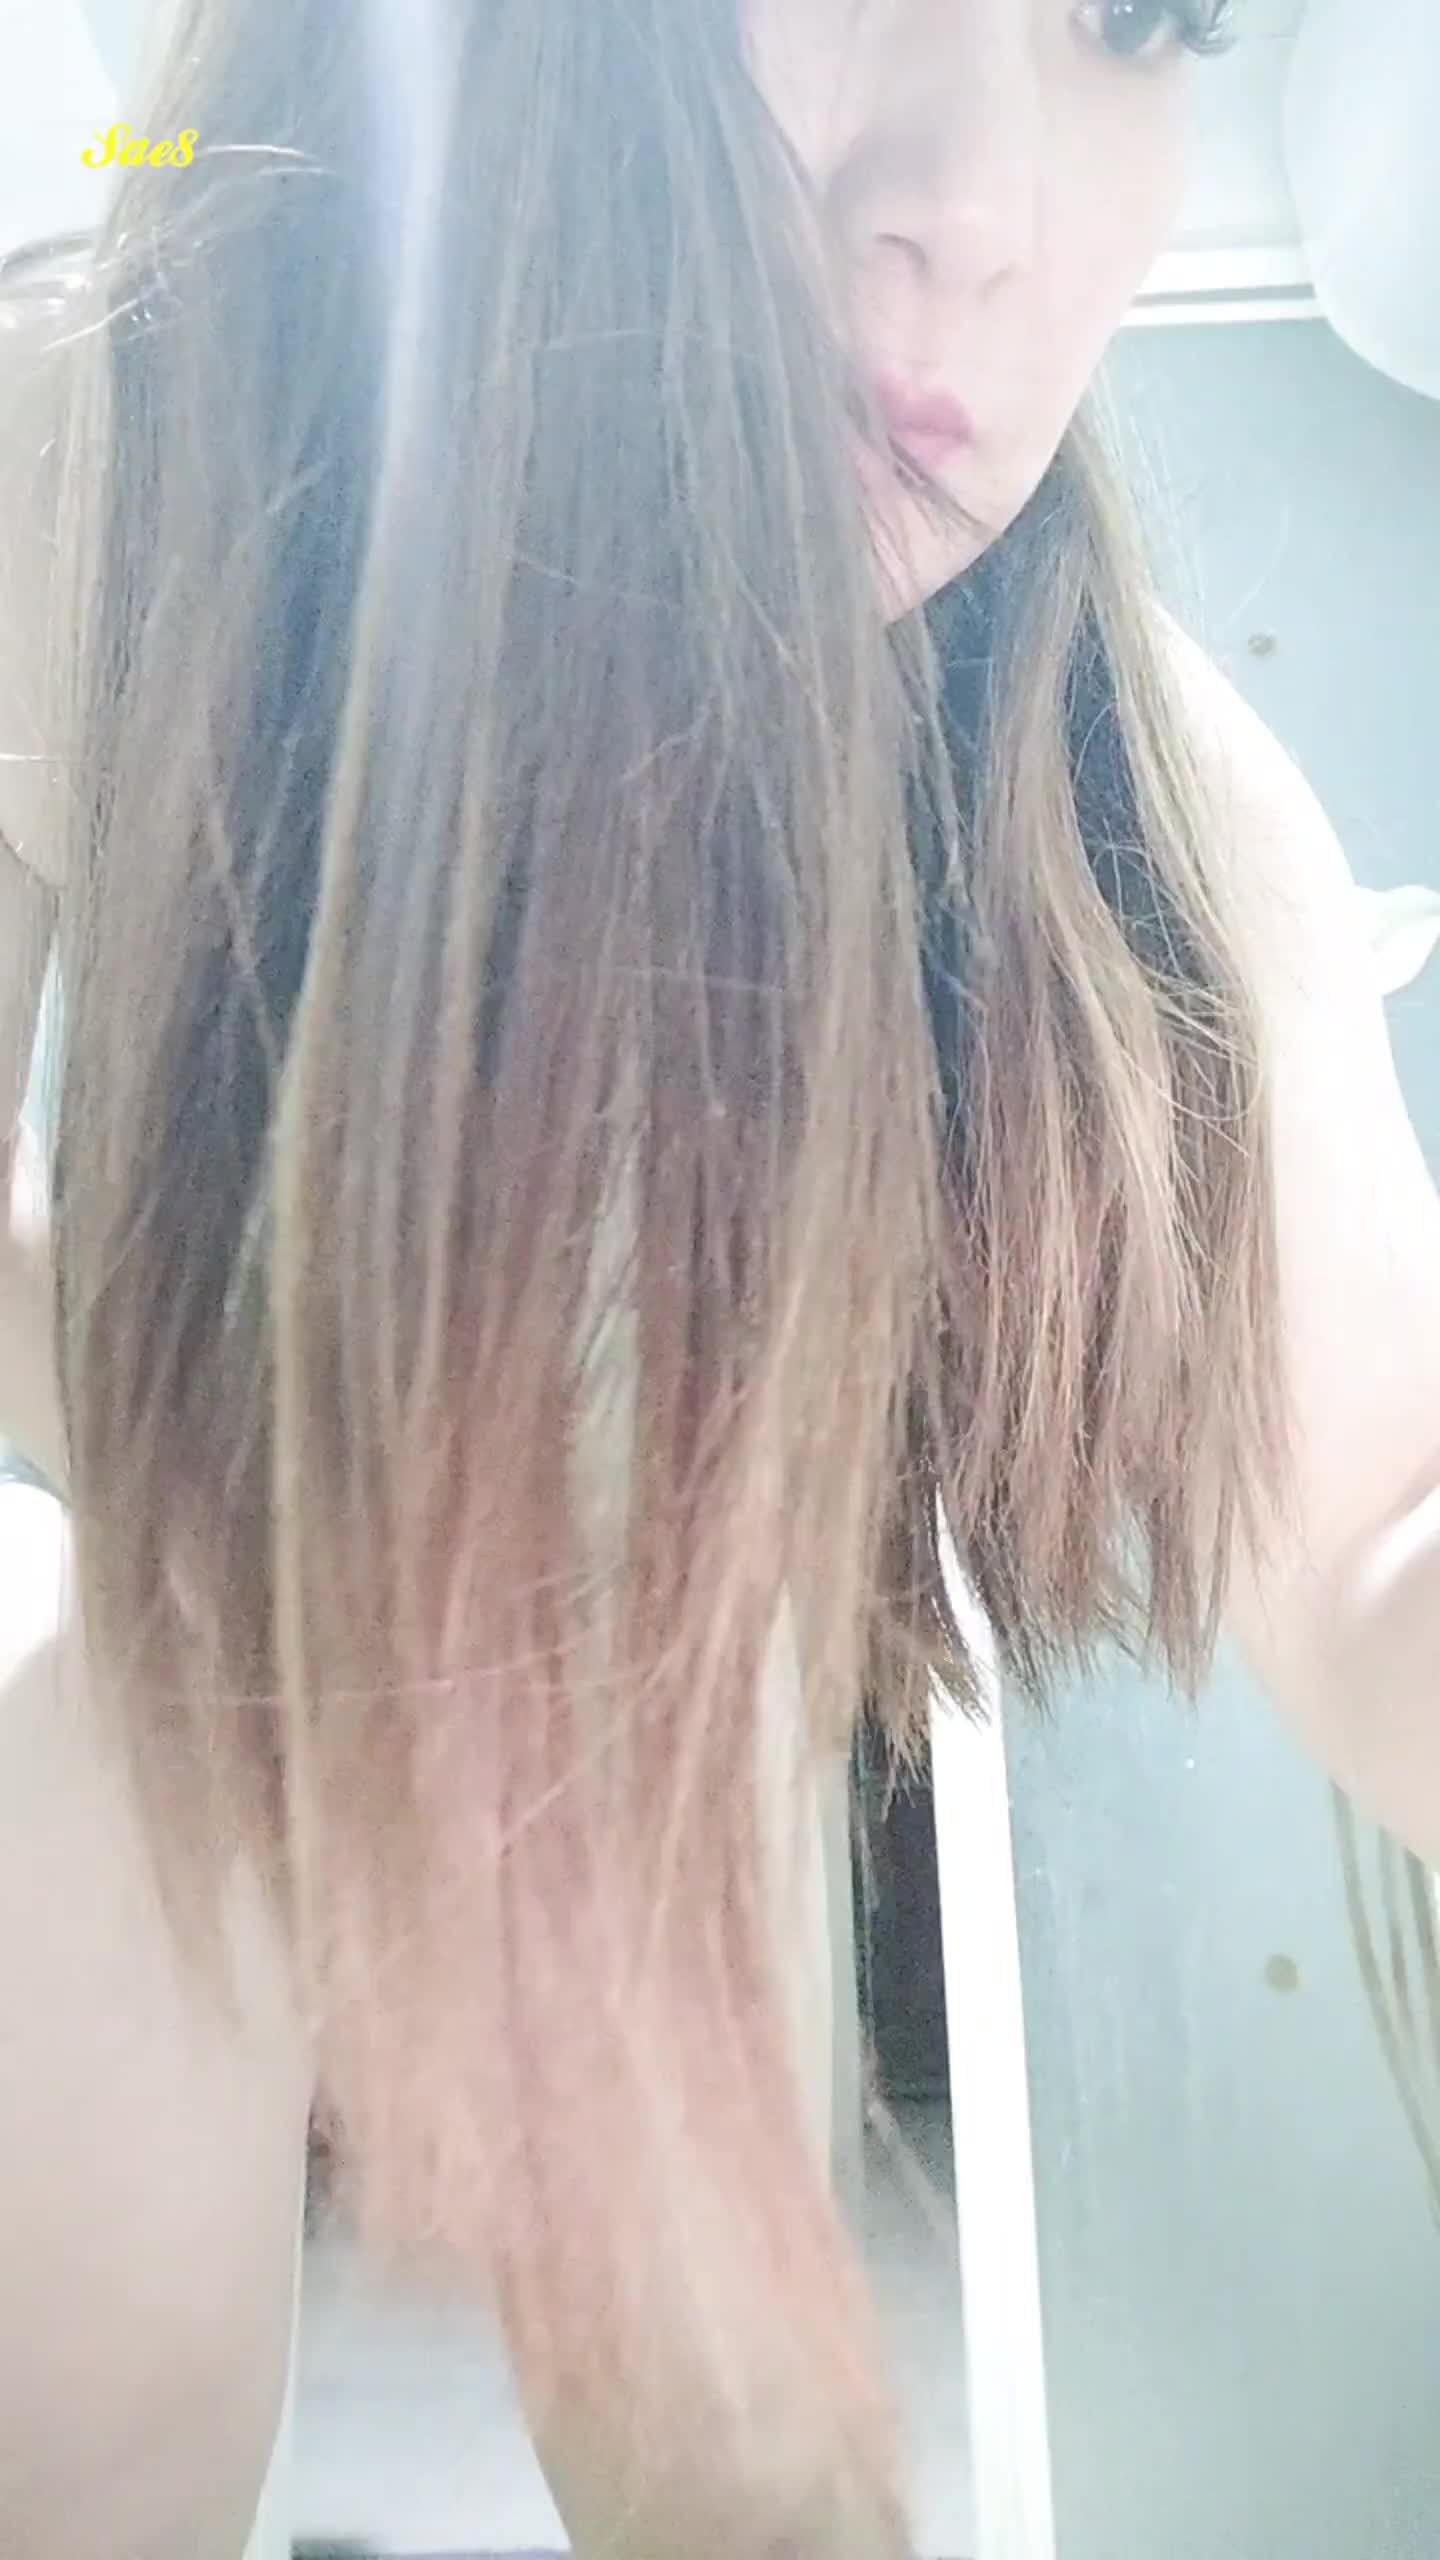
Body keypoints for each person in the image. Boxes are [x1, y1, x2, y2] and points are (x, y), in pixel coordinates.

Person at [1, 3, 1438, 2555]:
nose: (976, 207)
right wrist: (266, 1448)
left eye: (1141, 16)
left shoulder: (1128, 785)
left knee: (746, 2462)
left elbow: (1376, 1539)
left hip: (657, 1702)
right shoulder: (105, 456)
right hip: (184, 1605)